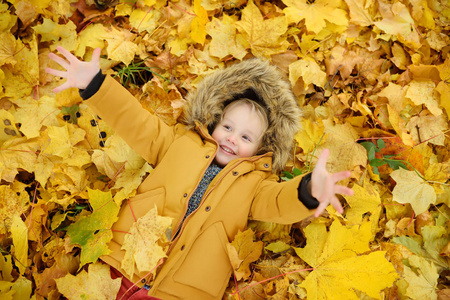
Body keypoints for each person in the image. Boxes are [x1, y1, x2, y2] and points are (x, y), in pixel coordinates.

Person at [46, 46, 354, 300]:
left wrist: (310, 189)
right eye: (228, 127)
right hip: (124, 262)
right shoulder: (177, 143)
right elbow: (135, 122)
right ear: (214, 121)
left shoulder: (257, 184)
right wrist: (96, 85)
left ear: (263, 149)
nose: (232, 138)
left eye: (246, 137)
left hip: (184, 291)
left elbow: (279, 202)